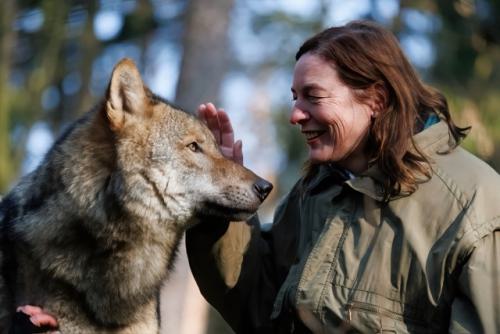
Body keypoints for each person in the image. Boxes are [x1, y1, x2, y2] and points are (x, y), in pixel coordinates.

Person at [14, 20, 500, 333]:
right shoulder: (322, 188)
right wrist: (219, 201)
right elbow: (259, 303)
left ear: (373, 99)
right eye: (293, 97)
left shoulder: (476, 206)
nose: (295, 114)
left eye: (313, 96)